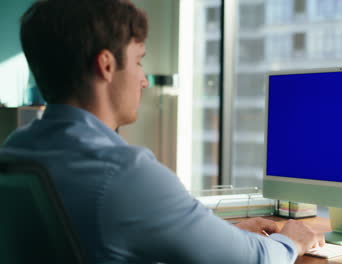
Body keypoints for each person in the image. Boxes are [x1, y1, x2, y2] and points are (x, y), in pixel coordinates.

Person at [0, 0, 324, 263]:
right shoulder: (123, 172)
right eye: (139, 61)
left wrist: (217, 231)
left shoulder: (17, 149)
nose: (143, 79)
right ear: (107, 65)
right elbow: (250, 259)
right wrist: (289, 241)